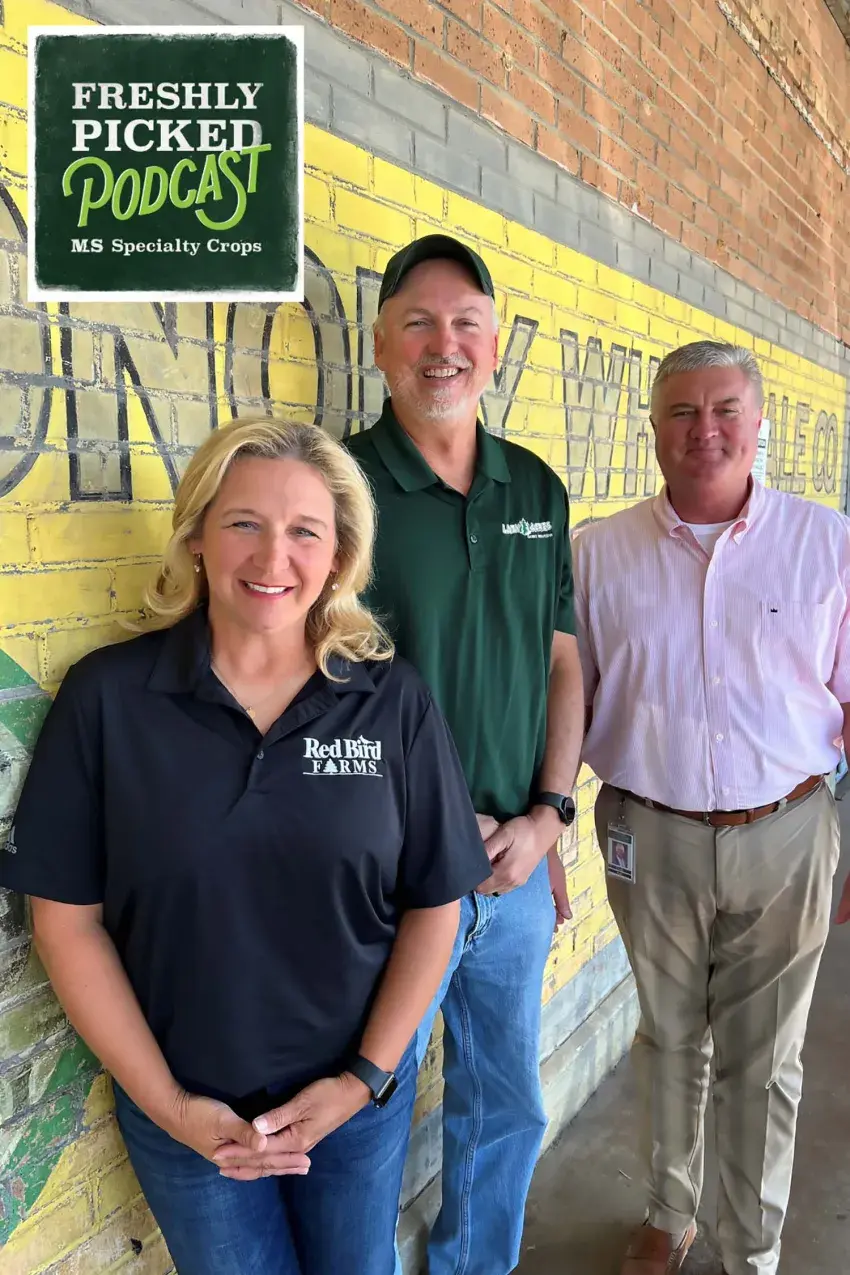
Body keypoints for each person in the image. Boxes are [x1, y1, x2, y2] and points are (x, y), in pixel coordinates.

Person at [0, 416, 492, 1275]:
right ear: (196, 536)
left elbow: (435, 904)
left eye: (305, 531)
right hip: (185, 1116)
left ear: (339, 556)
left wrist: (363, 1079)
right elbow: (65, 923)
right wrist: (171, 1105)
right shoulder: (108, 699)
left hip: (356, 1102)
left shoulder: (392, 703)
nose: (274, 557)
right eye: (243, 523)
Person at [573, 339, 850, 1275]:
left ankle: (752, 1249)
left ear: (758, 422)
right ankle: (670, 1209)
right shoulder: (598, 554)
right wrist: (543, 822)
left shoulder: (827, 545)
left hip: (789, 831)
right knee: (667, 1037)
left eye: (726, 409)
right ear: (653, 427)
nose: (706, 430)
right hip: (646, 834)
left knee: (765, 1061)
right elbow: (567, 700)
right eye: (683, 412)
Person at [346, 234, 585, 1275]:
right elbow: (313, 686)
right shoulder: (340, 485)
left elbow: (562, 662)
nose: (443, 345)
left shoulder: (535, 488)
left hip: (514, 866)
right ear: (381, 344)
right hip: (388, 874)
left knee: (505, 1106)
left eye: (465, 325)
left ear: (493, 347)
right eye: (418, 323)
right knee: (368, 1114)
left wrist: (549, 817)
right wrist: (441, 826)